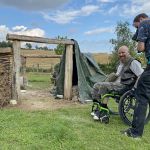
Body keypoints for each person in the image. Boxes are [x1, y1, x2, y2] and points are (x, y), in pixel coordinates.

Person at [91, 45, 144, 123]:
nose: (121, 54)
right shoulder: (122, 63)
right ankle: (98, 108)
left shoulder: (133, 62)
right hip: (119, 84)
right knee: (96, 85)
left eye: (123, 52)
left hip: (126, 86)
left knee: (104, 86)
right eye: (119, 53)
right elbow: (117, 75)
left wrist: (134, 88)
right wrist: (106, 81)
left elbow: (141, 75)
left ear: (128, 52)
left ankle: (104, 113)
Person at [121, 13, 150, 139]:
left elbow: (141, 47)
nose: (137, 30)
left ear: (141, 19)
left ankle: (135, 133)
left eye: (136, 26)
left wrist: (139, 43)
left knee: (141, 95)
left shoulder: (144, 23)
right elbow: (135, 37)